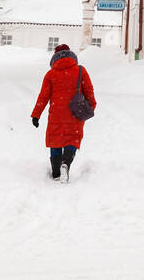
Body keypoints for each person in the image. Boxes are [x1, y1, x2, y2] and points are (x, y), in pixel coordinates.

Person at [31, 42, 97, 182]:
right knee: (72, 139)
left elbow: (43, 96)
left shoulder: (50, 74)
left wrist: (36, 115)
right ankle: (65, 164)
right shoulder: (80, 71)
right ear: (71, 55)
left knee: (56, 140)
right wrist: (90, 107)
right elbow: (89, 92)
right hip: (75, 113)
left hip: (56, 113)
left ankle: (55, 173)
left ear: (55, 57)